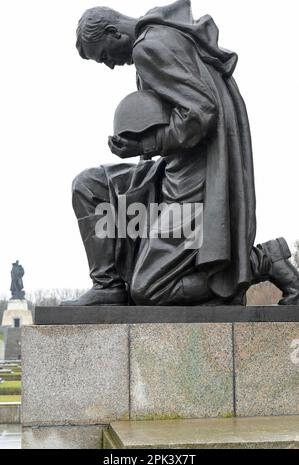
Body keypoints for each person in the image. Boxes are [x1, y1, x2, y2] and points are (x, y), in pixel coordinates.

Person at [64, 0, 299, 306]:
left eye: (105, 56)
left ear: (113, 32)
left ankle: (261, 261)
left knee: (149, 290)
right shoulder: (162, 34)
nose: (109, 64)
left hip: (196, 181)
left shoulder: (148, 48)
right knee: (90, 185)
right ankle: (107, 284)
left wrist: (144, 145)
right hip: (176, 167)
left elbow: (200, 113)